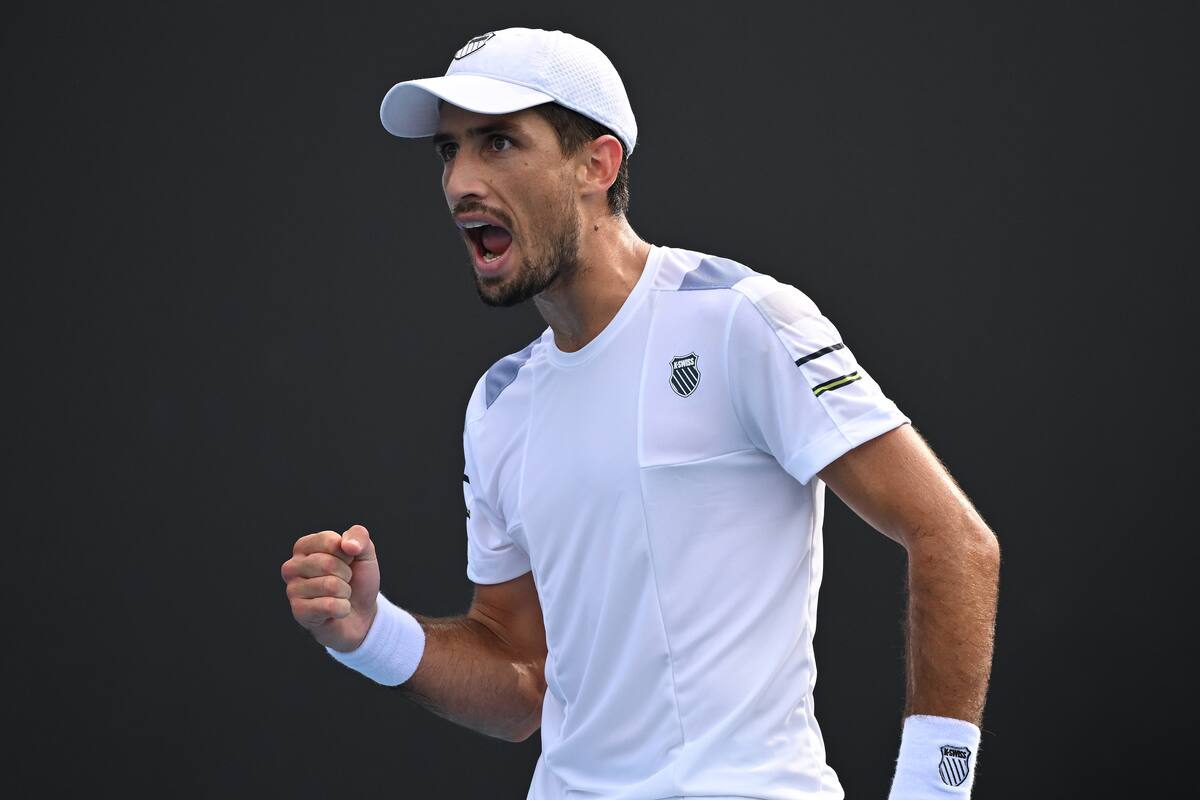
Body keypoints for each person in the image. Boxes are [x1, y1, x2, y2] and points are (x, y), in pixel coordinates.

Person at [281, 27, 1000, 800]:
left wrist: (933, 791)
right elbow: (522, 683)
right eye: (449, 151)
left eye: (498, 143)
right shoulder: (497, 404)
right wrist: (371, 633)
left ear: (597, 164)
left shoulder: (740, 318)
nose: (460, 181)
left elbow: (955, 540)